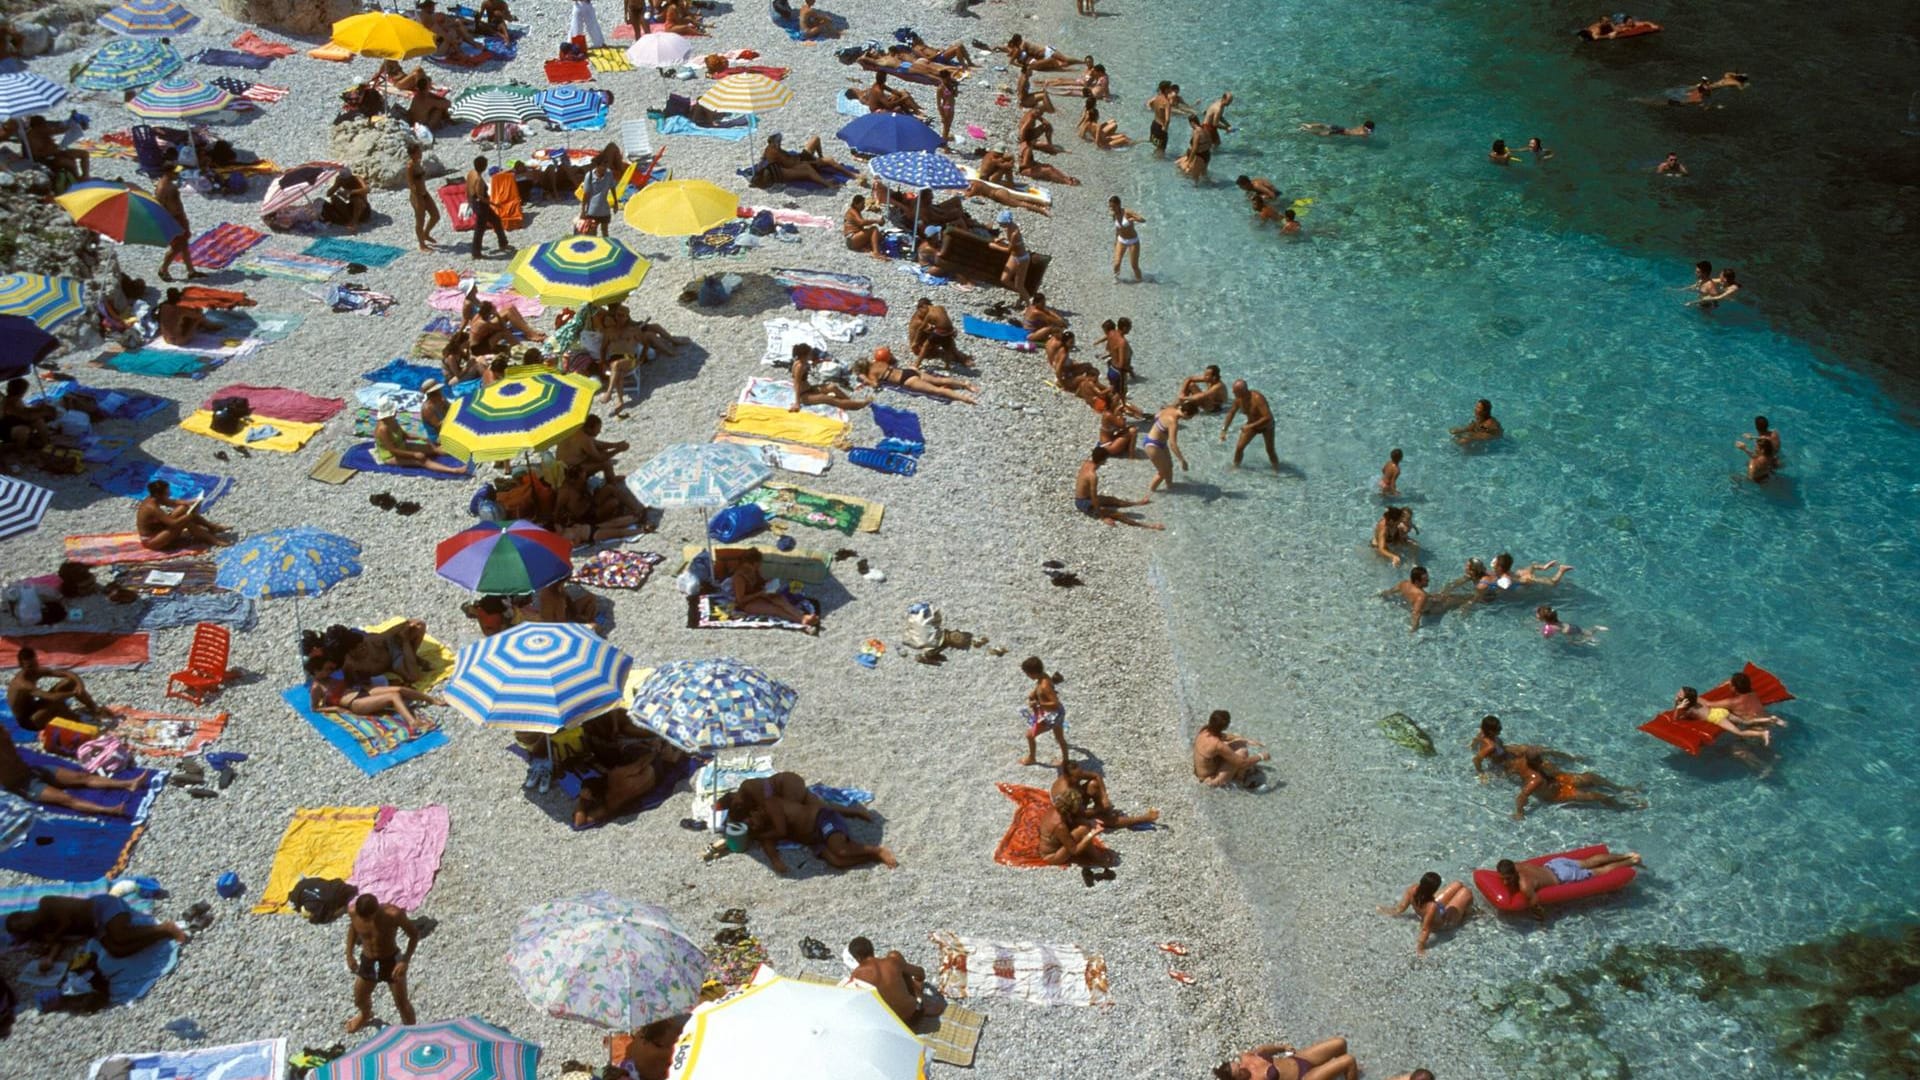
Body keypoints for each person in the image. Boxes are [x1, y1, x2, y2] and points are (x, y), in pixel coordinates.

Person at [5, 894, 189, 967]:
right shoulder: (42, 931)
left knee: (121, 936)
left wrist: (53, 937)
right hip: (96, 928)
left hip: (101, 907)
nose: (25, 927)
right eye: (21, 929)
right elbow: (58, 943)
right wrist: (49, 958)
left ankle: (164, 927)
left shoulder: (45, 904)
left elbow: (66, 921)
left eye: (21, 923)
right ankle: (162, 934)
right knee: (117, 950)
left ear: (24, 914)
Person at [744, 791, 897, 873]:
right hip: (813, 839)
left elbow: (822, 806)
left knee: (841, 849)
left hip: (822, 819)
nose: (754, 825)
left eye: (751, 820)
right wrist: (776, 861)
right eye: (752, 827)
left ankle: (878, 850)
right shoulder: (764, 829)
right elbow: (768, 844)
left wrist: (852, 811)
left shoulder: (772, 805)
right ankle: (871, 856)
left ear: (756, 810)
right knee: (837, 861)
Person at [0, 736, 145, 816]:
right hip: (23, 785)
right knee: (67, 799)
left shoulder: (4, 738)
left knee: (82, 777)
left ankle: (129, 784)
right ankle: (111, 810)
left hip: (33, 770)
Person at [306, 656, 443, 736]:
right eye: (325, 669)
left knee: (399, 689)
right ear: (316, 672)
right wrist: (337, 709)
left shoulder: (331, 676)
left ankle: (432, 699)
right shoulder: (316, 688)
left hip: (361, 691)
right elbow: (314, 708)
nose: (329, 671)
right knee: (393, 696)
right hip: (355, 703)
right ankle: (413, 723)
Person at [345, 893, 418, 1033]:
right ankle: (366, 1014)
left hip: (391, 961)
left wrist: (405, 960)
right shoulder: (353, 913)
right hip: (368, 961)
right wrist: (349, 954)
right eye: (362, 918)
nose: (366, 921)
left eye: (369, 918)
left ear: (377, 909)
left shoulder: (393, 915)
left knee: (402, 1003)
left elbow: (414, 935)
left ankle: (413, 1032)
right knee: (359, 998)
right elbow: (353, 930)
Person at [1495, 851, 1641, 918]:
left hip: (1563, 876)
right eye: (1503, 878)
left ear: (1514, 873)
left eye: (1508, 878)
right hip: (1555, 863)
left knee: (1599, 871)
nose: (1505, 882)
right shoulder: (1516, 865)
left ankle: (1631, 861)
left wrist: (1541, 921)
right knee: (1589, 861)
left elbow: (1536, 905)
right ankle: (1626, 854)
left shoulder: (1525, 885)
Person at [1510, 750, 1642, 820]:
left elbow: (1512, 767)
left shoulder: (1523, 761)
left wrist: (1572, 758)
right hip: (1558, 793)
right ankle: (1622, 807)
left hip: (1559, 779)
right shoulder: (1535, 779)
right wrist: (1520, 813)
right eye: (1540, 759)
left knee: (1591, 776)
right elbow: (1522, 796)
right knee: (1597, 796)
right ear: (1536, 761)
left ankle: (1619, 789)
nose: (1544, 760)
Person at [7, 647, 102, 730]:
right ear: (21, 665)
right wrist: (74, 693)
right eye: (30, 666)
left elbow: (67, 673)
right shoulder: (23, 684)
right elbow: (53, 698)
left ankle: (94, 708)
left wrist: (80, 686)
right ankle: (79, 720)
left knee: (70, 682)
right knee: (56, 702)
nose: (34, 668)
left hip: (33, 708)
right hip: (29, 721)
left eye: (35, 664)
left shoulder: (36, 671)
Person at [1379, 871, 1473, 955]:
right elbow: (1425, 929)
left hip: (1434, 908)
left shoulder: (1413, 889)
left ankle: (1464, 910)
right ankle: (1468, 914)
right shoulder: (1431, 907)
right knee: (1466, 892)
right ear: (1434, 890)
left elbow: (1401, 908)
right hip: (1444, 922)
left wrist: (1387, 911)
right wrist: (1420, 948)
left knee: (1458, 884)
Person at [726, 547, 818, 631]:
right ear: (752, 563)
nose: (759, 566)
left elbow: (760, 582)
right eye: (758, 564)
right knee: (776, 609)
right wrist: (759, 594)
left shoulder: (753, 570)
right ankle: (802, 621)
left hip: (759, 594)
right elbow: (740, 600)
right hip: (747, 604)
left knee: (781, 600)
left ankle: (802, 617)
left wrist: (769, 583)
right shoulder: (739, 577)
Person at [1053, 758, 1159, 828]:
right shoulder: (1065, 791)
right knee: (1105, 820)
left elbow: (1096, 776)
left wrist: (1104, 797)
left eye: (1081, 774)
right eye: (1077, 777)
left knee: (1093, 784)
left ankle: (1103, 809)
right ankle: (1143, 818)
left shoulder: (1075, 775)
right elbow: (1080, 813)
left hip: (1078, 802)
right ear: (1068, 776)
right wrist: (1098, 810)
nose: (1080, 777)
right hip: (1071, 814)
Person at [1075, 446, 1162, 529]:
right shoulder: (1092, 476)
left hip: (1085, 497)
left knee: (1113, 500)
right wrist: (1103, 517)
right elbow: (1094, 498)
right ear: (1103, 460)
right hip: (1084, 502)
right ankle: (1148, 526)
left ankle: (1138, 503)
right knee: (1118, 515)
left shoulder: (1086, 463)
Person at [853, 347, 979, 404]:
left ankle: (965, 398)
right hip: (908, 371)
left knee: (938, 390)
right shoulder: (879, 362)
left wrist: (866, 380)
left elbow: (875, 385)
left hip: (907, 380)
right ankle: (964, 384)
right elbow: (887, 356)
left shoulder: (871, 374)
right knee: (939, 379)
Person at [1671, 683, 1786, 746]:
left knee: (1739, 732)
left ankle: (1761, 734)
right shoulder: (1697, 699)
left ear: (1685, 699)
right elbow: (1708, 703)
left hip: (1717, 717)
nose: (1677, 693)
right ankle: (1770, 719)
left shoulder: (1688, 710)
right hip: (1720, 710)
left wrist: (1678, 707)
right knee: (1745, 722)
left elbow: (1675, 720)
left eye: (1680, 693)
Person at [847, 937, 928, 1023]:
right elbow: (920, 973)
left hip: (889, 1025)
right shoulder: (893, 962)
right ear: (872, 949)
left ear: (857, 958)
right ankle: (918, 997)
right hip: (913, 1016)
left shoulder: (857, 975)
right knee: (895, 956)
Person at [137, 479, 231, 550]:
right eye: (167, 493)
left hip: (158, 528)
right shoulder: (152, 508)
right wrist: (188, 516)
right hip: (152, 540)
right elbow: (172, 523)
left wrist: (191, 503)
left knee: (183, 508)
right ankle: (214, 540)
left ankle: (212, 527)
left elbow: (173, 502)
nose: (169, 494)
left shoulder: (154, 498)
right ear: (158, 494)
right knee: (187, 521)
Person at [375, 401, 466, 474]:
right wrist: (414, 454)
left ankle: (463, 452)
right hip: (391, 456)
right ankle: (455, 470)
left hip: (402, 446)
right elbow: (392, 450)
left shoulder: (392, 421)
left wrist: (421, 438)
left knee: (433, 449)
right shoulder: (383, 430)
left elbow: (405, 435)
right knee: (422, 460)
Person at [1192, 709, 1269, 788]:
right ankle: (1240, 781)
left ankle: (1240, 773)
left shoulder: (1205, 730)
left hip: (1201, 771)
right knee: (1242, 753)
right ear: (1225, 726)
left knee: (1239, 744)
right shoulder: (1217, 745)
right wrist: (1261, 756)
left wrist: (1246, 740)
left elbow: (1225, 736)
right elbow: (1242, 763)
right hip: (1210, 781)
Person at [1215, 1039, 1358, 1080]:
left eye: (1239, 1066)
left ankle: (1346, 1074)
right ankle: (1348, 1071)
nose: (1243, 1069)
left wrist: (1282, 1047)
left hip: (1300, 1059)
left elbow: (1263, 1050)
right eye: (1239, 1073)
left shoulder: (1246, 1057)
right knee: (1349, 1060)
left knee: (1340, 1043)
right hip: (1304, 1077)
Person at [1017, 655, 1068, 766]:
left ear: (1033, 673)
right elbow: (1040, 687)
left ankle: (1032, 758)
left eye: (1027, 674)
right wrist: (1034, 693)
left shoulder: (1044, 685)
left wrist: (1038, 704)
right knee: (1059, 738)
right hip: (1059, 713)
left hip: (1052, 715)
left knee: (1030, 735)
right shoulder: (1043, 676)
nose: (1027, 676)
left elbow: (1055, 704)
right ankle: (1066, 760)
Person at [153, 167, 202, 283]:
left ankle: (191, 271)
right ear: (168, 171)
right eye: (175, 171)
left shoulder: (168, 185)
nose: (177, 173)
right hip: (173, 220)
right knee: (177, 247)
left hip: (178, 218)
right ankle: (163, 269)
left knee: (184, 244)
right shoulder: (163, 188)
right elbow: (160, 207)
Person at [789, 343, 869, 413]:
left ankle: (850, 402)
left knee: (832, 387)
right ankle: (858, 405)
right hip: (803, 396)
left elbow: (808, 366)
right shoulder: (799, 366)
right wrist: (797, 403)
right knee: (829, 399)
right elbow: (797, 384)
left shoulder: (803, 362)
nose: (811, 355)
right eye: (809, 354)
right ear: (804, 355)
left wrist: (819, 361)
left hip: (809, 389)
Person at [1220, 380, 1280, 471]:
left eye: (1235, 391)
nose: (1232, 393)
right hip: (1252, 425)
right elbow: (1231, 413)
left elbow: (1268, 417)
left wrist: (1250, 426)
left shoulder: (1257, 398)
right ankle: (1236, 467)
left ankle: (1276, 469)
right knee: (1239, 448)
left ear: (1243, 391)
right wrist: (1224, 430)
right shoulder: (1238, 399)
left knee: (1270, 450)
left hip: (1267, 426)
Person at [1381, 565, 1460, 634]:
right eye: (1425, 580)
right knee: (1457, 599)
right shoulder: (1421, 596)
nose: (1428, 581)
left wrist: (1380, 595)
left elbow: (1390, 591)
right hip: (1431, 609)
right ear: (1417, 581)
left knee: (1443, 594)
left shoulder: (1404, 583)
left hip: (1430, 601)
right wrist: (1413, 630)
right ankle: (1470, 594)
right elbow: (1416, 613)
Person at [466, 155, 513, 259]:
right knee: (480, 229)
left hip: (475, 203)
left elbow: (468, 187)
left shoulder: (471, 173)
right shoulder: (479, 180)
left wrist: (469, 201)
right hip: (482, 206)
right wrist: (494, 204)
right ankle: (476, 252)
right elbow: (480, 196)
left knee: (496, 220)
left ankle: (503, 243)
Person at [1142, 401, 1194, 492]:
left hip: (1159, 443)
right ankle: (1151, 492)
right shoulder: (1173, 422)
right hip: (1152, 445)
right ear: (1186, 413)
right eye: (1191, 417)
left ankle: (1170, 486)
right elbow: (1173, 444)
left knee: (1169, 466)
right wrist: (1182, 460)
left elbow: (1156, 416)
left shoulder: (1170, 408)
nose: (1191, 419)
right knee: (1162, 473)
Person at [404, 143, 440, 252]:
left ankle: (426, 233)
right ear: (413, 154)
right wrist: (417, 198)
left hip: (424, 192)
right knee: (420, 221)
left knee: (435, 215)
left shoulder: (418, 163)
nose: (421, 153)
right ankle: (422, 244)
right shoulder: (410, 166)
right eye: (418, 152)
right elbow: (410, 184)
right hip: (417, 196)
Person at [1109, 196, 1145, 282]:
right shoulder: (1113, 214)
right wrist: (1115, 241)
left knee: (1134, 266)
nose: (1111, 208)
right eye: (1110, 206)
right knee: (1116, 263)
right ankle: (1116, 279)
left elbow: (1143, 220)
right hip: (1121, 240)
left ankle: (1140, 281)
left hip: (1133, 241)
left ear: (1119, 205)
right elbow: (1118, 229)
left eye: (1113, 206)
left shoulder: (1127, 212)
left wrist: (1133, 219)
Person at [842, 193, 888, 261]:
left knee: (878, 236)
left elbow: (860, 226)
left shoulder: (856, 211)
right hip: (852, 239)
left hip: (853, 239)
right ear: (855, 204)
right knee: (874, 229)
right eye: (862, 204)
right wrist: (876, 221)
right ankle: (876, 253)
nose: (863, 206)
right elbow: (862, 222)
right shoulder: (852, 211)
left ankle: (867, 248)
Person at [579, 158, 616, 237]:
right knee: (592, 232)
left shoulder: (609, 174)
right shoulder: (589, 176)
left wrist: (616, 202)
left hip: (604, 209)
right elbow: (586, 194)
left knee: (605, 231)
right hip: (592, 210)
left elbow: (612, 187)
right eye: (603, 166)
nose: (604, 169)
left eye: (606, 166)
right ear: (597, 166)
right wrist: (583, 210)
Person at [1536, 604, 1606, 643]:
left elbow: (1546, 637)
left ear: (1543, 619)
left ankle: (1588, 640)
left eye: (1538, 616)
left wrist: (1541, 633)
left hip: (1569, 632)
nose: (1536, 616)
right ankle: (1596, 628)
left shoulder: (1548, 627)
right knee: (1586, 632)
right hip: (1571, 626)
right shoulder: (1555, 619)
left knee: (1574, 643)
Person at [1299, 119, 1374, 137]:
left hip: (1344, 128)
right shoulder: (1364, 132)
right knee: (1325, 134)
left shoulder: (1362, 126)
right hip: (1342, 132)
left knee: (1326, 126)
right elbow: (1364, 136)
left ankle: (1310, 126)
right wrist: (1367, 134)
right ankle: (1306, 130)